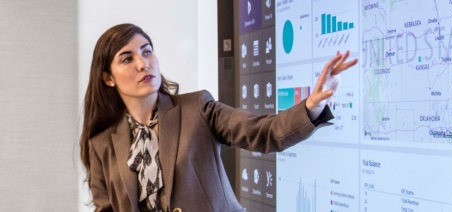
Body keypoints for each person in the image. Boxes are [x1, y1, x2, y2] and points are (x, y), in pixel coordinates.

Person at [80, 23, 358, 212]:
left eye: (147, 51)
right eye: (127, 59)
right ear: (108, 78)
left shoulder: (197, 108)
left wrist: (310, 106)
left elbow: (264, 132)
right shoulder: (101, 144)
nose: (143, 63)